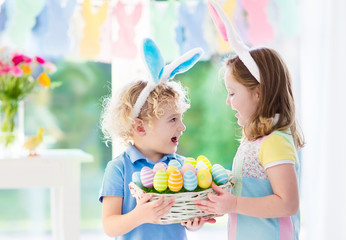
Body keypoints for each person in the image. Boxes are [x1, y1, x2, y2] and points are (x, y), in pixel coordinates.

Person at [195, 1, 305, 239]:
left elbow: (287, 203)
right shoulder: (255, 140)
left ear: (259, 93)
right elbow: (252, 192)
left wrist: (233, 204)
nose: (228, 101)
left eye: (232, 93)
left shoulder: (275, 141)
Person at [98, 38, 212, 240]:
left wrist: (193, 223)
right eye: (173, 119)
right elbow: (109, 225)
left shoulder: (182, 167)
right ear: (140, 126)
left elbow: (184, 217)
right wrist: (140, 216)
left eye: (181, 118)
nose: (182, 127)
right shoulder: (119, 168)